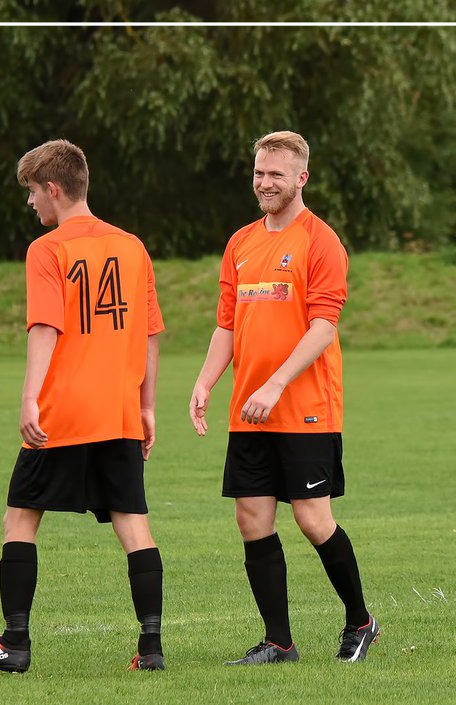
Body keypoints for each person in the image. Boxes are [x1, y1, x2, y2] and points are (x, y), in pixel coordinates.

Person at [0, 139, 167, 673]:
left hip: (64, 413)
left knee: (20, 518)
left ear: (52, 189)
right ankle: (152, 649)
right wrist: (147, 407)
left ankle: (15, 646)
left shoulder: (47, 250)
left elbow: (46, 326)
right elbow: (149, 336)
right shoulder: (133, 247)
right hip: (119, 410)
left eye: (31, 191)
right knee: (133, 524)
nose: (30, 203)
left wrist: (29, 397)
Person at [188, 130, 379, 666]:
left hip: (305, 407)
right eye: (259, 173)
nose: (265, 183)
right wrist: (206, 380)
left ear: (301, 178)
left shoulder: (321, 241)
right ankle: (279, 642)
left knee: (314, 520)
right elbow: (228, 324)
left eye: (276, 174)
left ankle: (361, 621)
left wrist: (275, 384)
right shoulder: (240, 243)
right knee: (252, 519)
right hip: (250, 411)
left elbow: (323, 327)